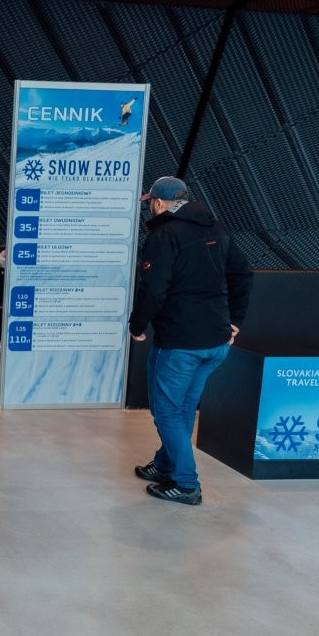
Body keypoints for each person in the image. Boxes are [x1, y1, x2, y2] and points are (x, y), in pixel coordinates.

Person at [128, 176, 253, 506]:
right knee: (182, 408)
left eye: (151, 203)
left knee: (167, 412)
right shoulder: (217, 229)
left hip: (180, 342)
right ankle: (165, 464)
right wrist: (235, 321)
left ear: (158, 203)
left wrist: (137, 325)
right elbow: (243, 274)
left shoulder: (164, 235)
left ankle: (186, 484)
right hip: (216, 342)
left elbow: (153, 288)